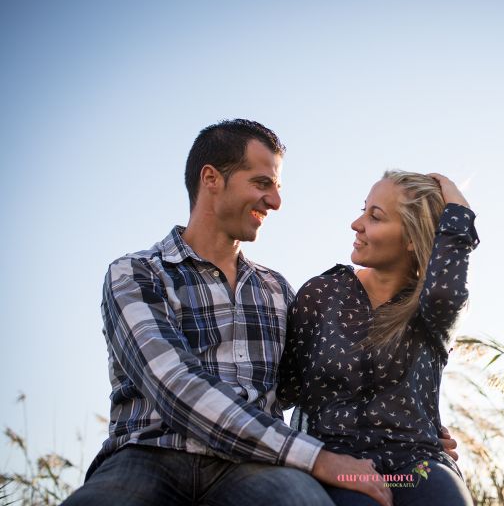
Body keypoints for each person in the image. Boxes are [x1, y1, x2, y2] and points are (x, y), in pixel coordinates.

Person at [62, 119, 396, 506]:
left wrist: (403, 423)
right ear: (211, 179)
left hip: (256, 467)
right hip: (147, 454)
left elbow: (323, 380)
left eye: (277, 188)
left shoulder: (279, 291)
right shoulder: (137, 273)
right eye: (261, 183)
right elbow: (176, 387)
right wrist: (316, 458)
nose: (275, 202)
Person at [278, 170, 478, 505]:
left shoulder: (432, 309)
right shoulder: (322, 293)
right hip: (337, 462)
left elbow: (445, 290)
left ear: (412, 238)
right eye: (363, 210)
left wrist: (457, 208)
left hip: (417, 463)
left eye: (375, 216)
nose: (357, 224)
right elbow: (283, 390)